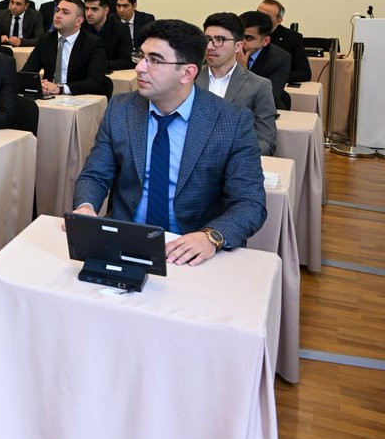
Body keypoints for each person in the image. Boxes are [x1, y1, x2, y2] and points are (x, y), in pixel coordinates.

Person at [72, 19, 267, 265]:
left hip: (192, 248)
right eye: (141, 56)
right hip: (126, 239)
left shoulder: (231, 121)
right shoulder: (121, 109)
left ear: (187, 73)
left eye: (155, 60)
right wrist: (86, 207)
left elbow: (249, 202)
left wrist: (211, 237)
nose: (140, 68)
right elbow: (95, 174)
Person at [196, 12, 277, 155]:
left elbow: (266, 141)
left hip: (235, 161)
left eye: (219, 40)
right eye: (207, 39)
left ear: (238, 46)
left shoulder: (259, 86)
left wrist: (231, 156)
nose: (210, 46)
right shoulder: (190, 79)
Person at [22, 0, 109, 96]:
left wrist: (61, 88)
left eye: (65, 12)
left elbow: (95, 82)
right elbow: (27, 74)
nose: (58, 15)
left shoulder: (93, 44)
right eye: (57, 10)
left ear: (79, 21)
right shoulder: (45, 40)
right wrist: (39, 85)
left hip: (78, 96)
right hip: (48, 96)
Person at [239, 10, 291, 110]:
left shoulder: (280, 58)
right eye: (239, 36)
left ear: (265, 41)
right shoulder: (227, 50)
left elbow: (268, 97)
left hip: (262, 111)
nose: (241, 43)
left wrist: (243, 69)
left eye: (248, 38)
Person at [258, 0, 312, 83]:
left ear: (278, 20)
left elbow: (304, 73)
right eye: (258, 13)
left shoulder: (292, 38)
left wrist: (273, 77)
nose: (259, 18)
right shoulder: (245, 32)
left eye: (266, 16)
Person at [82, 0, 134, 70]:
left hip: (108, 74)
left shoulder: (120, 29)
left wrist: (99, 65)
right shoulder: (81, 26)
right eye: (86, 9)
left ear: (106, 10)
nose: (88, 13)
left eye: (94, 9)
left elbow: (127, 61)